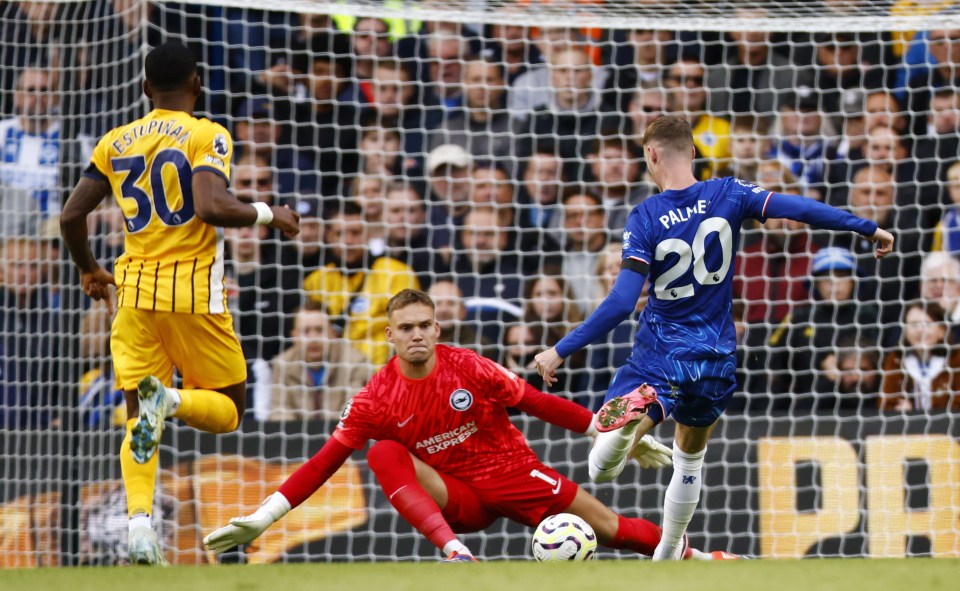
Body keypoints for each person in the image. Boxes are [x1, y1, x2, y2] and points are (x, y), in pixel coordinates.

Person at [532, 115, 894, 561]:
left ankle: (632, 419)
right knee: (689, 459)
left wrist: (560, 349)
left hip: (661, 353)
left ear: (651, 155)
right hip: (718, 356)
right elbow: (800, 208)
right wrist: (865, 227)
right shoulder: (729, 192)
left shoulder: (645, 216)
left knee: (600, 465)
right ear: (694, 152)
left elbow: (624, 302)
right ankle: (667, 553)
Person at [202, 289, 738, 562]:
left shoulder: (469, 365)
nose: (416, 335)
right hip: (458, 498)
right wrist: (263, 516)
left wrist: (600, 432)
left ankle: (701, 558)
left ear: (437, 327)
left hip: (513, 472)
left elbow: (534, 401)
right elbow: (324, 462)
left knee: (611, 528)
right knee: (382, 450)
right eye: (404, 328)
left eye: (423, 326)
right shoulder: (375, 397)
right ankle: (454, 551)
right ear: (388, 335)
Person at [58, 42, 300, 565]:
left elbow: (70, 218)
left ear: (145, 89)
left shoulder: (114, 141)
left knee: (134, 421)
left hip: (133, 296)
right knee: (230, 408)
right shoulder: (206, 132)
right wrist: (267, 213)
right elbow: (211, 206)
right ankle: (171, 400)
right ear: (198, 83)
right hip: (192, 294)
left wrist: (88, 267)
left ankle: (140, 528)